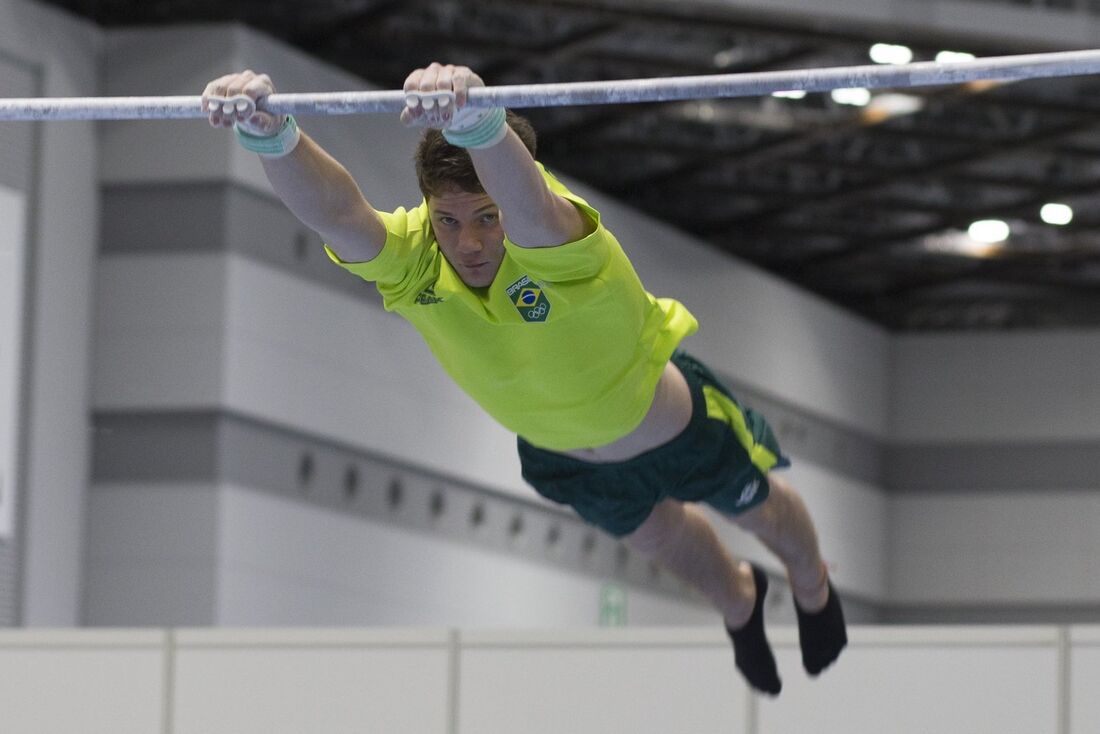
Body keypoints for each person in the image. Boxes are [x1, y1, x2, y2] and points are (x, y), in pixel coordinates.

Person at [202, 63, 847, 695]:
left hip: (674, 428)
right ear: (429, 212)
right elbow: (339, 214)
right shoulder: (417, 259)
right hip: (569, 462)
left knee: (764, 515)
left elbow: (528, 203)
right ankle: (740, 603)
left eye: (487, 216)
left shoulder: (557, 235)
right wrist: (273, 136)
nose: (471, 242)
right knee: (669, 544)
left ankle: (813, 586)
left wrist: (480, 124)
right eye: (449, 221)